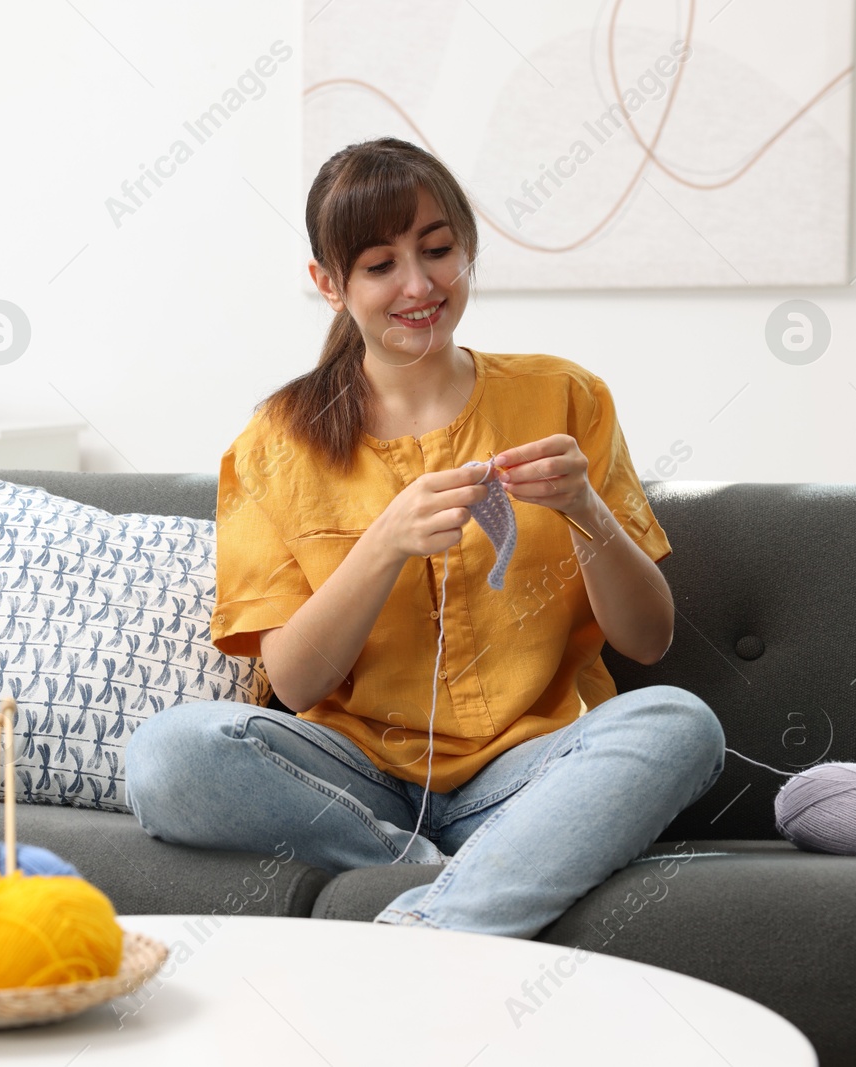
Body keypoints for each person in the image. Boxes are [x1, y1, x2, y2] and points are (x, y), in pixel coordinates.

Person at [123, 136, 725, 937]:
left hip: (528, 774)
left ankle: (428, 931)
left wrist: (586, 506)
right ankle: (463, 875)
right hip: (352, 781)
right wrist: (385, 542)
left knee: (682, 722)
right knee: (167, 753)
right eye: (380, 266)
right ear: (329, 285)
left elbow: (648, 640)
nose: (419, 284)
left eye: (438, 251)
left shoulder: (567, 396)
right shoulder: (275, 442)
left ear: (467, 252)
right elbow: (295, 684)